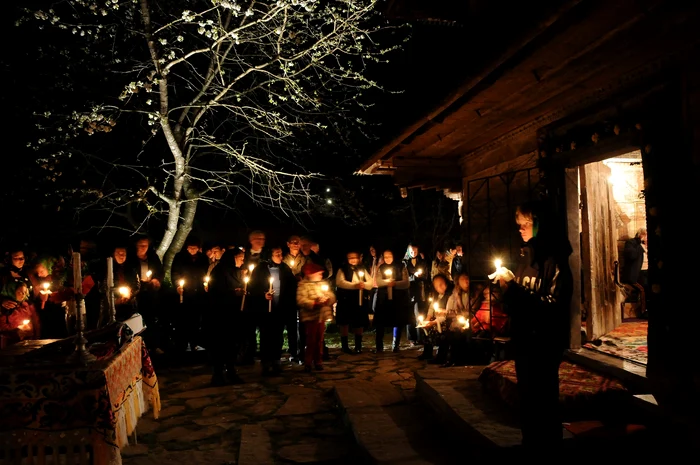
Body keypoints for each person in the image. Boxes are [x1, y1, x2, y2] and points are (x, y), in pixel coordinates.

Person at [491, 200, 573, 451]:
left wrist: (513, 288)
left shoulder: (555, 262)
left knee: (544, 401)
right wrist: (505, 286)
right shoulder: (527, 257)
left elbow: (550, 307)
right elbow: (519, 300)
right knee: (527, 400)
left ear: (540, 224)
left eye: (525, 224)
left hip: (545, 344)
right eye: (519, 225)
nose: (521, 229)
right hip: (524, 341)